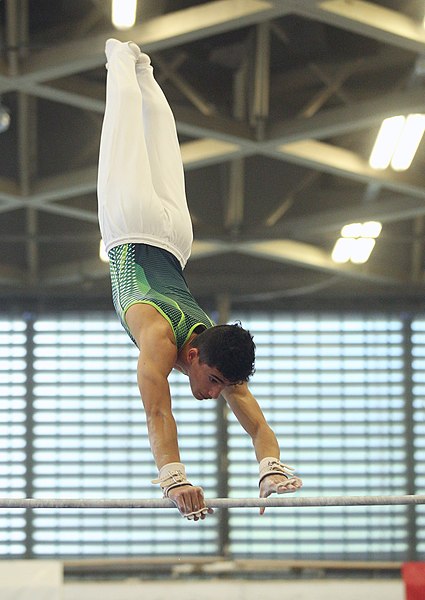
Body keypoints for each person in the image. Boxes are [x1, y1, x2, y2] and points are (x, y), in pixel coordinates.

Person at [97, 39, 302, 521]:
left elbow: (258, 426)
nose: (213, 393)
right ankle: (122, 61)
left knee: (164, 147)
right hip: (130, 226)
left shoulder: (215, 348)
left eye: (221, 385)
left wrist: (271, 468)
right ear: (192, 355)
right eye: (212, 382)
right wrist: (174, 478)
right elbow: (157, 412)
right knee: (123, 135)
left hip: (176, 239)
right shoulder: (160, 336)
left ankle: (145, 70)